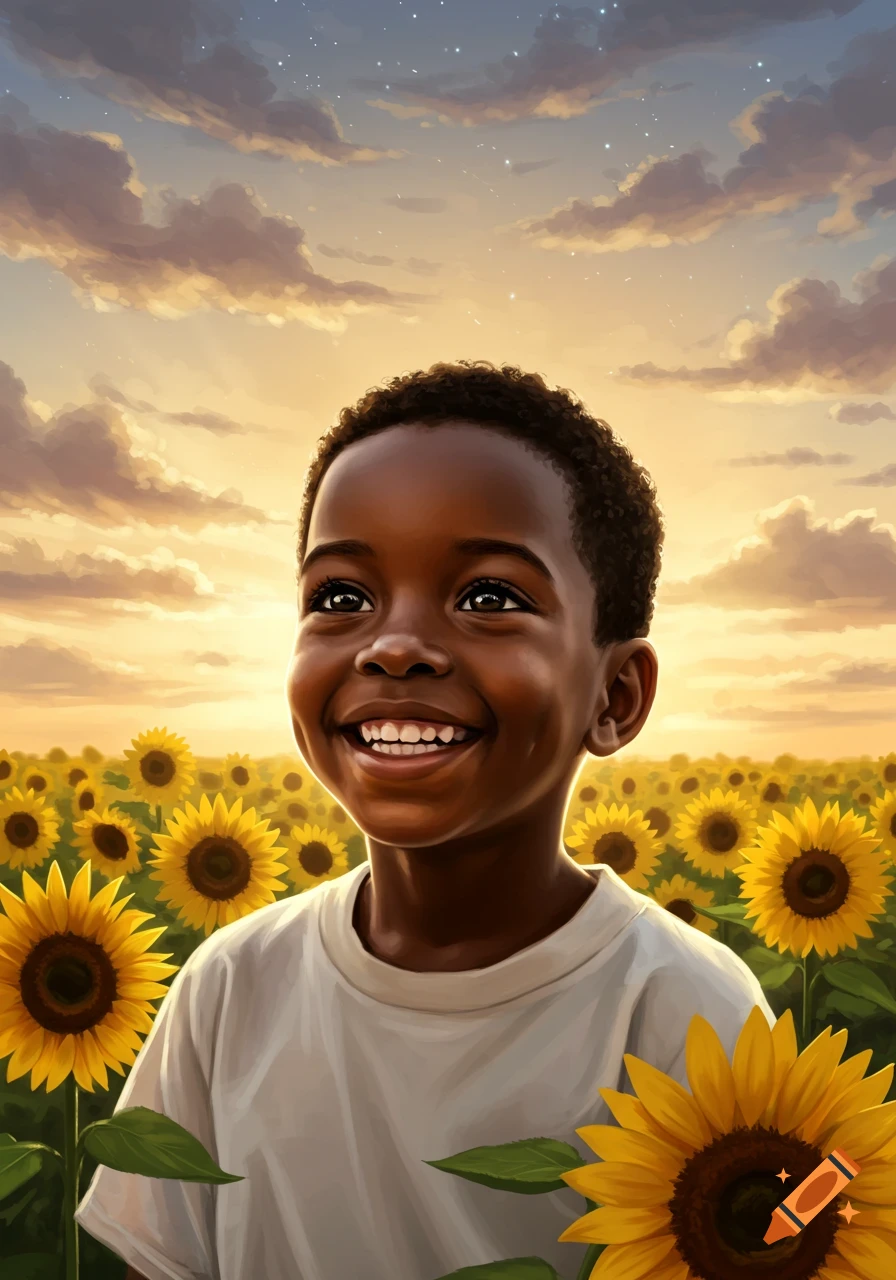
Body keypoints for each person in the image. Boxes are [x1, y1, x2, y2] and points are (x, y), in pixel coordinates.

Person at [75, 360, 773, 1280]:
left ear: (616, 695)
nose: (395, 644)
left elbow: (790, 1234)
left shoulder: (684, 1008)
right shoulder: (231, 987)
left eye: (488, 598)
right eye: (341, 597)